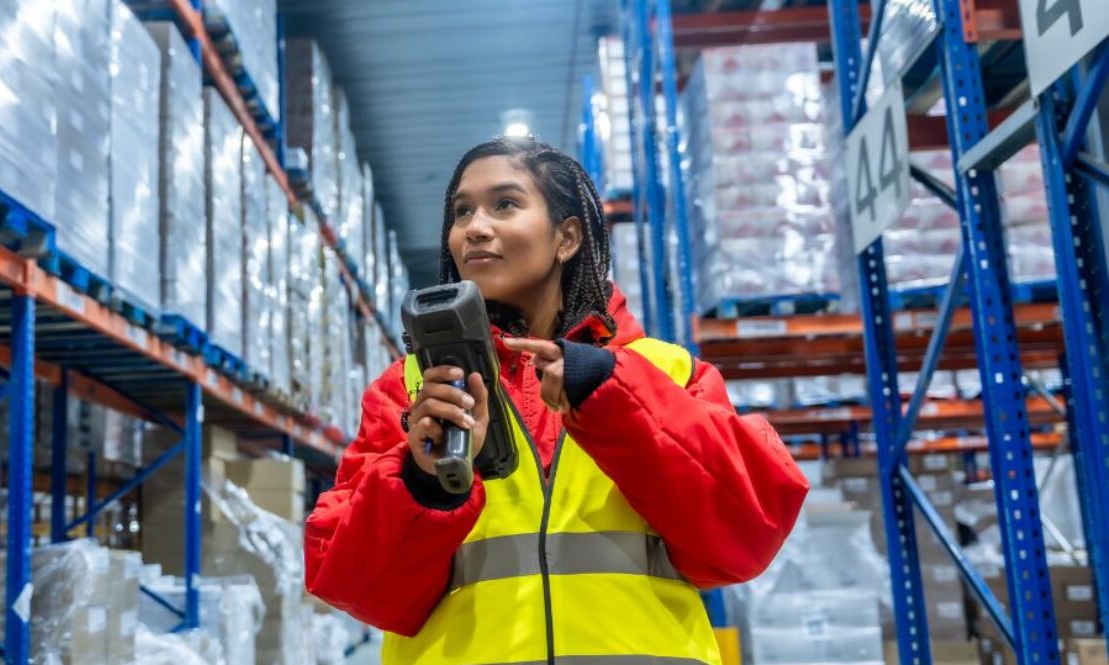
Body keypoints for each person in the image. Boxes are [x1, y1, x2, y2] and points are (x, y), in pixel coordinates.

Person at [305, 136, 809, 665]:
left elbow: (746, 538)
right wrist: (423, 483)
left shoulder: (667, 371)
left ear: (566, 237)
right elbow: (352, 585)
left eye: (505, 203)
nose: (474, 227)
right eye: (461, 211)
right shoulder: (408, 389)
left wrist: (615, 395)